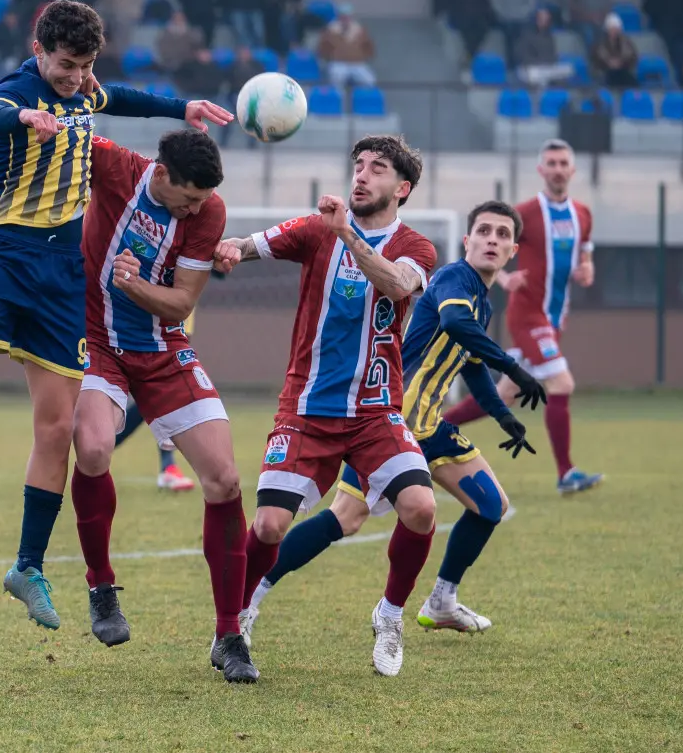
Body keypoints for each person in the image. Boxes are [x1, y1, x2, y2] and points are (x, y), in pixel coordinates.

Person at [0, 0, 233, 630]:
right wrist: (26, 112)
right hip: (3, 258)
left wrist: (183, 109)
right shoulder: (19, 89)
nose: (75, 77)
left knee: (57, 431)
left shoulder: (85, 91)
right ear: (39, 50)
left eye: (84, 65)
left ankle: (28, 567)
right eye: (65, 65)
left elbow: (122, 97)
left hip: (62, 277)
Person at [242, 201, 548, 642]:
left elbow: (471, 361)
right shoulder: (452, 279)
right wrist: (515, 370)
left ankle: (441, 601)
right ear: (467, 241)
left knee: (490, 505)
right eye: (484, 231)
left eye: (502, 235)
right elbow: (456, 324)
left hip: (430, 426)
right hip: (388, 421)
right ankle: (254, 595)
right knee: (344, 519)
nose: (492, 240)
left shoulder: (482, 302)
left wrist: (503, 416)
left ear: (513, 249)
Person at [218, 135, 439, 677]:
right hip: (307, 408)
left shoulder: (416, 246)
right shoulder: (317, 231)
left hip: (375, 414)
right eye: (358, 166)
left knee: (421, 508)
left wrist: (348, 234)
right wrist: (228, 249)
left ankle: (390, 615)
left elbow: (394, 285)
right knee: (269, 525)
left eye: (378, 169)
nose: (362, 175)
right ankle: (235, 621)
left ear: (401, 188)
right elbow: (249, 245)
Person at [71, 130, 258, 683]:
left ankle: (230, 636)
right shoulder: (114, 166)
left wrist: (132, 287)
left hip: (162, 348)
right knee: (95, 448)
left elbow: (180, 303)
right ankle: (101, 587)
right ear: (160, 172)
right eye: (188, 198)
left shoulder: (208, 211)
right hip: (93, 341)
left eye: (204, 200)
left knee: (224, 479)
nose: (198, 208)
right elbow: (67, 131)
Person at [443, 140, 603, 495]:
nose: (558, 169)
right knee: (562, 384)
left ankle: (428, 433)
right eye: (552, 163)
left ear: (572, 170)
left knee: (504, 395)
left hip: (555, 318)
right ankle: (566, 473)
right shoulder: (525, 213)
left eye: (564, 162)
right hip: (528, 315)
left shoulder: (583, 214)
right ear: (541, 170)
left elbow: (586, 248)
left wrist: (587, 268)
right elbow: (486, 246)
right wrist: (504, 277)